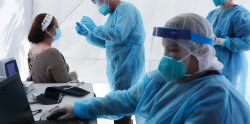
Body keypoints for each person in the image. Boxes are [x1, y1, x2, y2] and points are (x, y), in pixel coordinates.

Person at [48, 13, 250, 124]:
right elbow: (125, 99)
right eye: (164, 49)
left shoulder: (218, 102)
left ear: (198, 51)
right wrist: (80, 109)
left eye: (173, 50)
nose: (166, 58)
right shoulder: (162, 79)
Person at [75, 0, 145, 124]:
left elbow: (118, 35)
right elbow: (107, 42)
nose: (99, 7)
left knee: (124, 107)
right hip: (119, 67)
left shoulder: (126, 9)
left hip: (128, 66)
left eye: (99, 2)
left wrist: (95, 28)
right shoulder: (113, 15)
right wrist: (88, 34)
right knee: (118, 106)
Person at [206, 0, 250, 95]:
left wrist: (221, 41)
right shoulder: (212, 14)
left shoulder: (240, 14)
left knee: (226, 97)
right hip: (211, 62)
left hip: (230, 64)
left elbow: (247, 42)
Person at [27, 13, 78, 83]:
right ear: (48, 30)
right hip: (53, 93)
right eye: (56, 26)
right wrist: (73, 75)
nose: (58, 29)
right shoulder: (52, 53)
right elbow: (65, 82)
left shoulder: (32, 50)